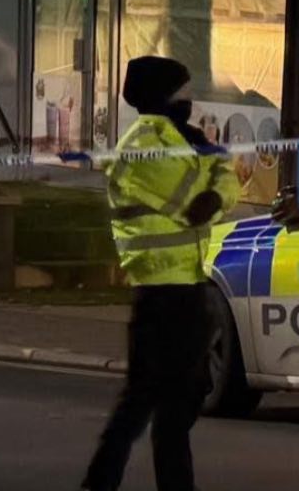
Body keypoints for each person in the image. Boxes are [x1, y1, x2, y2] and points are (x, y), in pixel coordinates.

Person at [82, 56, 239, 491]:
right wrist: (213, 174)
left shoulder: (184, 140)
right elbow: (192, 199)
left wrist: (214, 174)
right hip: (158, 292)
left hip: (189, 287)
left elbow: (227, 179)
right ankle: (100, 482)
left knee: (178, 405)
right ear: (161, 96)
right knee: (144, 403)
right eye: (182, 93)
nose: (189, 101)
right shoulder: (141, 147)